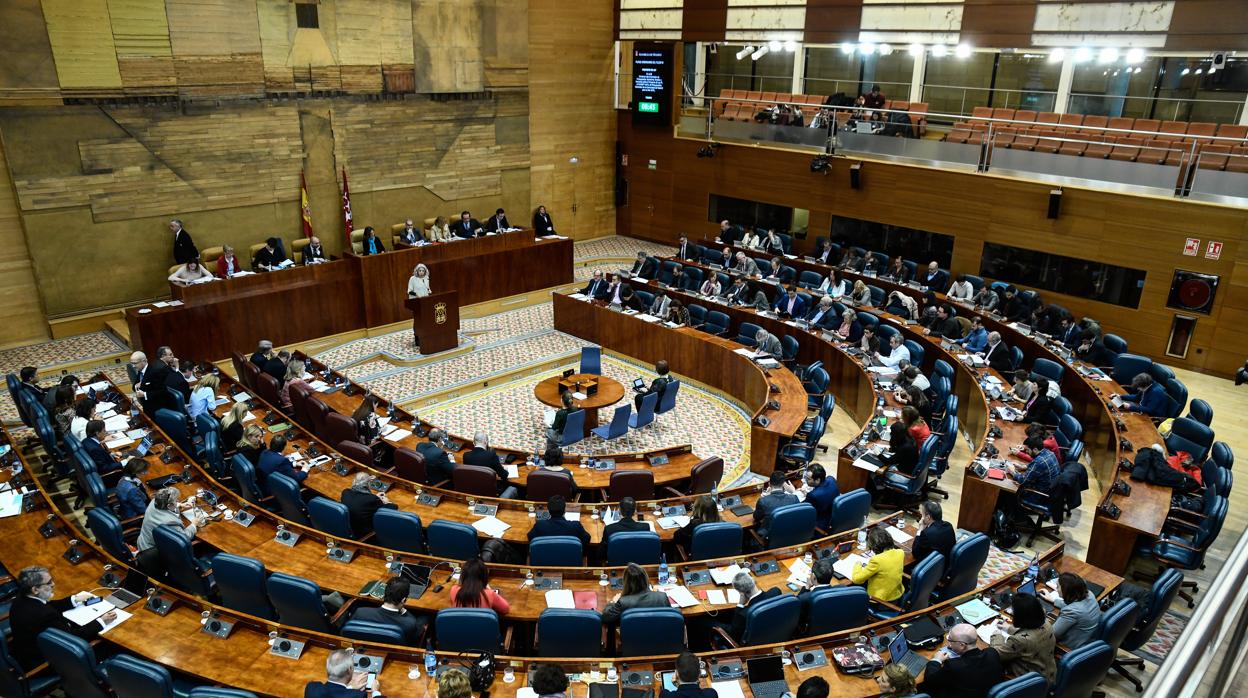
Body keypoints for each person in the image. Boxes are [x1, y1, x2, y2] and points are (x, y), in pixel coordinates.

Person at [10, 566, 116, 671]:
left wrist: (74, 600)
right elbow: (74, 638)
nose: (53, 584)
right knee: (110, 646)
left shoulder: (21, 598)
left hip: (24, 653)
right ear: (35, 589)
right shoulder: (45, 615)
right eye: (49, 582)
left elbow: (47, 605)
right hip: (44, 663)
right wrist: (102, 621)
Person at [919, 623, 1005, 698]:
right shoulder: (992, 653)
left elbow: (930, 681)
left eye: (950, 640)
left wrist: (936, 660)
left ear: (962, 645)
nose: (949, 644)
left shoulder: (954, 666)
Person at [990, 593, 1057, 682]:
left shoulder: (1019, 640)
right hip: (1049, 675)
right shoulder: (1046, 624)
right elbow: (1032, 632)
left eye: (1013, 611)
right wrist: (1008, 628)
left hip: (1031, 684)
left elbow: (996, 655)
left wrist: (996, 636)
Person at [350, 578, 426, 646]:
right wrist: (404, 611)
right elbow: (413, 642)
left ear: (384, 593)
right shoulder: (409, 622)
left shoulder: (360, 612)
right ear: (403, 600)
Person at [1043, 572, 1103, 650]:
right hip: (1088, 638)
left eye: (1058, 587)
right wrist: (1053, 600)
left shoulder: (1071, 611)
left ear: (1065, 591)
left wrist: (1042, 616)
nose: (1057, 590)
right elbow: (1077, 605)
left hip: (1070, 646)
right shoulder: (1089, 594)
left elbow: (1052, 634)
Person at [138, 486, 205, 552]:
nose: (178, 501)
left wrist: (180, 505)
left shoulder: (155, 501)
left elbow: (167, 505)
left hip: (143, 542)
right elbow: (184, 538)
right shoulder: (171, 522)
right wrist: (194, 524)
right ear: (169, 505)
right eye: (176, 500)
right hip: (153, 552)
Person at [602, 563, 669, 625]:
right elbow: (671, 616)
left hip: (633, 636)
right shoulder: (662, 597)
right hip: (658, 634)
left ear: (626, 583)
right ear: (645, 578)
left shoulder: (623, 602)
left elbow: (605, 617)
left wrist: (613, 601)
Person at [851, 526, 904, 602]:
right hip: (897, 595)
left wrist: (857, 565)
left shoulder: (877, 560)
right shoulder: (900, 552)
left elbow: (856, 579)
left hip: (880, 601)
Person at [726, 572, 781, 642]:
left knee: (709, 622)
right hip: (774, 631)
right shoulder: (776, 592)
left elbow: (733, 632)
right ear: (754, 581)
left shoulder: (743, 614)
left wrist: (740, 605)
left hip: (754, 641)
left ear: (741, 593)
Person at [304, 648, 382, 697]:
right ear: (349, 670)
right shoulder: (357, 696)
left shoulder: (312, 688)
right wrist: (376, 692)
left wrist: (350, 688)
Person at [341, 472, 395, 538]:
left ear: (354, 481)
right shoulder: (371, 499)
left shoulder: (345, 492)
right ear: (368, 484)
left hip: (349, 529)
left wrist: (375, 497)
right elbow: (389, 510)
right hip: (365, 535)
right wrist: (387, 502)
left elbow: (360, 499)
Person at [753, 471, 799, 541]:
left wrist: (765, 497)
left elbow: (756, 517)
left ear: (769, 484)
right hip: (790, 535)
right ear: (784, 484)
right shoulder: (794, 498)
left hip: (769, 538)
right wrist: (793, 492)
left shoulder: (763, 501)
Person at [910, 501, 955, 569]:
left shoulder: (926, 533)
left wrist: (920, 530)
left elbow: (915, 552)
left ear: (928, 517)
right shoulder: (948, 526)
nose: (921, 518)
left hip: (932, 571)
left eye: (922, 515)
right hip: (946, 565)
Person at [801, 464, 839, 528]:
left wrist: (794, 492)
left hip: (821, 522)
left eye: (808, 479)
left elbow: (802, 509)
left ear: (817, 480)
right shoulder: (831, 479)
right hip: (833, 513)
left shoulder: (813, 496)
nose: (805, 480)